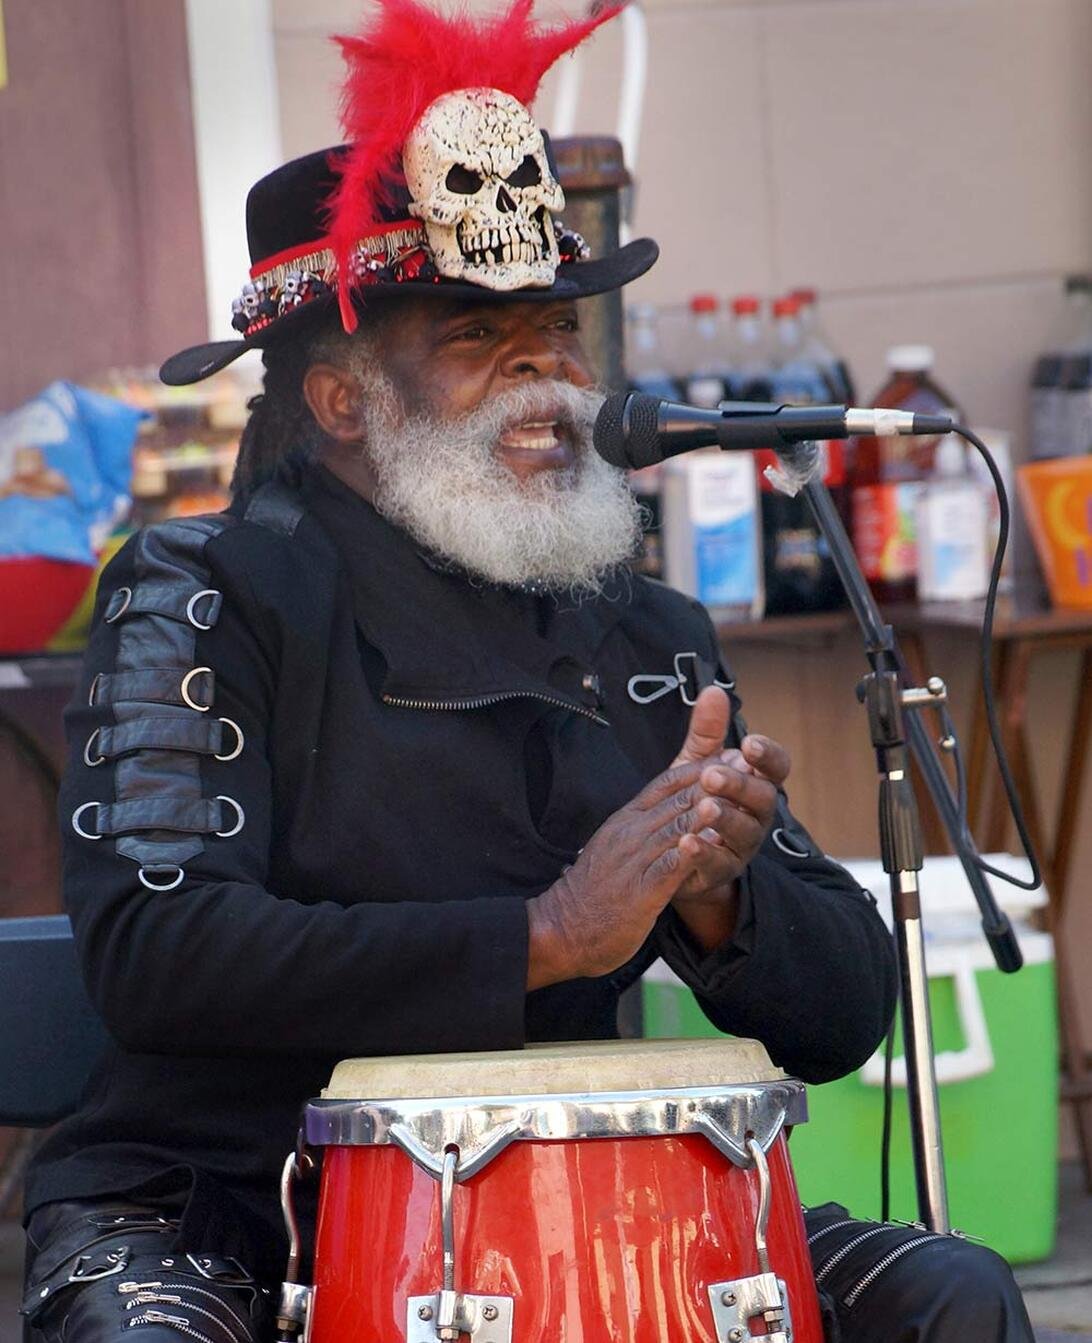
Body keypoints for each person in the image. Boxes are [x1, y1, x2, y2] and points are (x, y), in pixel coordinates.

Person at [21, 2, 1033, 1340]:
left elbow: (844, 1016)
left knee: (949, 1299)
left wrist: (728, 901)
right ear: (341, 402)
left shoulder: (645, 634)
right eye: (474, 341)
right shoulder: (194, 594)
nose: (546, 377)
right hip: (229, 1211)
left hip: (584, 1207)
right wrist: (550, 934)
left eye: (555, 332)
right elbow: (157, 951)